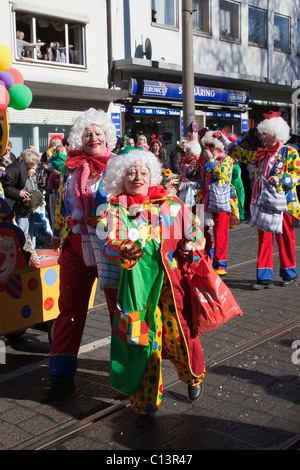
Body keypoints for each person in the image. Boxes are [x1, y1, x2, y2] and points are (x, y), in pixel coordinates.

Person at [103, 149, 206, 426]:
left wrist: (189, 243)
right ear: (121, 179)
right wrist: (123, 247)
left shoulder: (169, 204)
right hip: (138, 290)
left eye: (143, 171)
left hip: (173, 288)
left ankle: (193, 377)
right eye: (130, 172)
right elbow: (110, 240)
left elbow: (196, 229)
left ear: (152, 176)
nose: (137, 176)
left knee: (183, 336)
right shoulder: (115, 209)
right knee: (143, 342)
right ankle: (145, 402)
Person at [46, 108, 119, 400]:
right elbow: (64, 206)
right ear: (80, 137)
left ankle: (128, 373)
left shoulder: (117, 166)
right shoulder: (71, 168)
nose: (93, 137)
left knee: (120, 311)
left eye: (98, 132)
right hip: (76, 245)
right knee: (70, 309)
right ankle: (61, 375)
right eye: (87, 133)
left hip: (111, 247)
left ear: (106, 137)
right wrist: (60, 232)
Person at [217, 111, 300, 289]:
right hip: (263, 202)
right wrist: (225, 142)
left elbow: (297, 174)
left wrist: (282, 179)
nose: (262, 137)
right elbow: (242, 155)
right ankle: (264, 276)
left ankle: (289, 272)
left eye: (265, 134)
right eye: (262, 134)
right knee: (264, 238)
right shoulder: (262, 154)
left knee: (285, 237)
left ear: (276, 135)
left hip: (284, 203)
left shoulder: (290, 152)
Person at [189, 131, 233, 276]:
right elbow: (194, 177)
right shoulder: (203, 160)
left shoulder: (226, 160)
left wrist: (211, 161)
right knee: (200, 229)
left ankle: (221, 263)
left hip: (220, 200)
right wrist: (192, 168)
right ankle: (206, 253)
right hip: (203, 199)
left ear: (219, 147)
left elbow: (221, 174)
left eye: (211, 146)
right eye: (206, 146)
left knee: (220, 232)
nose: (208, 149)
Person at [177, 140, 200, 209]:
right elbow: (182, 174)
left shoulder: (196, 162)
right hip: (184, 186)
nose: (186, 152)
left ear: (193, 152)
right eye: (186, 150)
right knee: (184, 207)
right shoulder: (185, 161)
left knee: (192, 206)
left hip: (192, 187)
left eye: (188, 151)